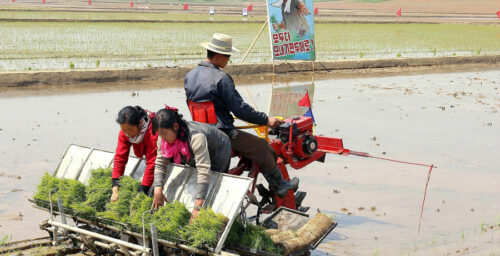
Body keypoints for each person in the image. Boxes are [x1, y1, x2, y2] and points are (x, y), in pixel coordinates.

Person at [184, 33, 299, 198]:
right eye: (227, 56)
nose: (228, 60)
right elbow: (240, 110)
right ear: (217, 56)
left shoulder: (190, 76)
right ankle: (280, 186)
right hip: (220, 135)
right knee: (262, 147)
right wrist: (266, 120)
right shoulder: (221, 79)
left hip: (198, 130)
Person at [151, 106, 231, 220]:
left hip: (218, 150)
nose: (162, 138)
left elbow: (203, 170)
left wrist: (197, 207)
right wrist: (158, 189)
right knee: (194, 172)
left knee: (214, 181)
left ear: (175, 126)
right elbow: (160, 163)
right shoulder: (163, 139)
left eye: (164, 134)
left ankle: (209, 215)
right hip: (194, 151)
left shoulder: (196, 137)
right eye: (159, 134)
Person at [112, 106, 158, 202]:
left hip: (169, 156)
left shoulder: (153, 133)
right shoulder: (125, 133)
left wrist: (143, 191)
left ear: (140, 123)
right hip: (152, 158)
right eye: (124, 130)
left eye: (130, 130)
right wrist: (115, 188)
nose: (127, 133)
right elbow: (120, 158)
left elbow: (152, 163)